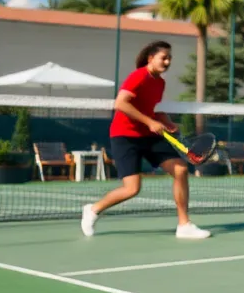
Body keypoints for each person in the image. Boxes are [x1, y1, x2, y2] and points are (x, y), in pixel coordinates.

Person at [81, 40, 210, 240]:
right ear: (151, 58)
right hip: (125, 136)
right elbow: (120, 103)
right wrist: (149, 121)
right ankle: (93, 209)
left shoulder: (160, 82)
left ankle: (184, 225)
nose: (167, 61)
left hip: (148, 136)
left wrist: (166, 121)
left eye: (169, 58)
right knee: (132, 189)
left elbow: (152, 109)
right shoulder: (138, 76)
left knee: (181, 169)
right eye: (163, 57)